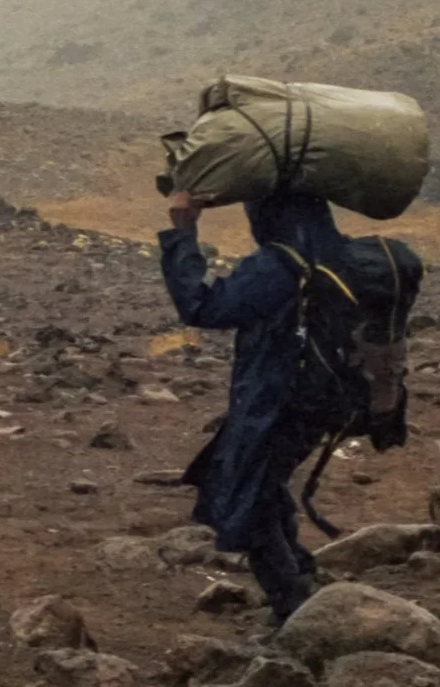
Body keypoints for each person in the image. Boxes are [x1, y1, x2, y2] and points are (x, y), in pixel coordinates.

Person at [158, 186, 377, 623]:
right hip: (325, 399)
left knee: (248, 502)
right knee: (267, 485)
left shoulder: (279, 264)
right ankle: (301, 577)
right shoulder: (343, 254)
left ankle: (294, 609)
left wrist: (183, 231)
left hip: (278, 402)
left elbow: (202, 307)